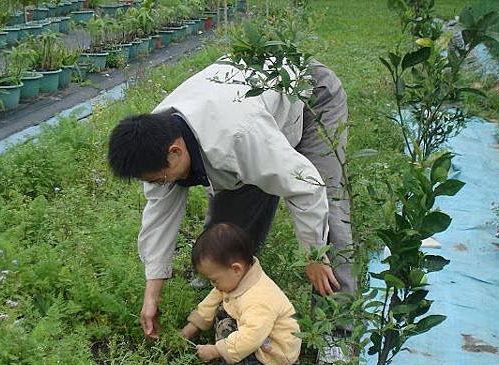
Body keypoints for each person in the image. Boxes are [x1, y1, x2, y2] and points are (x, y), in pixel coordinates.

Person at [107, 57, 354, 340]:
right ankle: (229, 293)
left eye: (160, 178)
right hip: (256, 108)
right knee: (226, 235)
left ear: (176, 151)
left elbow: (306, 187)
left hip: (308, 95)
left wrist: (313, 255)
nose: (160, 185)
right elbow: (159, 218)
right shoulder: (154, 139)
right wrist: (152, 294)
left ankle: (336, 328)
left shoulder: (239, 136)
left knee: (328, 218)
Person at [181, 223, 301, 365]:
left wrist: (216, 350)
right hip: (261, 332)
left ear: (236, 269)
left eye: (214, 280)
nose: (213, 285)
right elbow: (213, 299)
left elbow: (250, 337)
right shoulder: (238, 279)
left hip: (275, 351)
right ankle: (237, 360)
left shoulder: (259, 298)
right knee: (223, 309)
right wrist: (191, 328)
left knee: (229, 331)